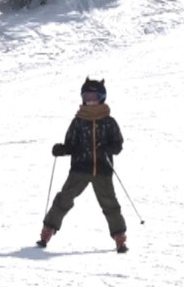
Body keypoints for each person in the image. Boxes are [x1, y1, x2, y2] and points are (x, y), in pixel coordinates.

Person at [40, 78, 128, 253]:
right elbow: (71, 145)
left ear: (102, 98)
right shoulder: (78, 122)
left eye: (94, 96)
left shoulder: (109, 122)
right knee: (64, 199)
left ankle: (119, 238)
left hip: (102, 170)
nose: (91, 100)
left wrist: (108, 148)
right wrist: (61, 149)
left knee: (110, 204)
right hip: (79, 169)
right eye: (87, 96)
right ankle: (47, 231)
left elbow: (118, 145)